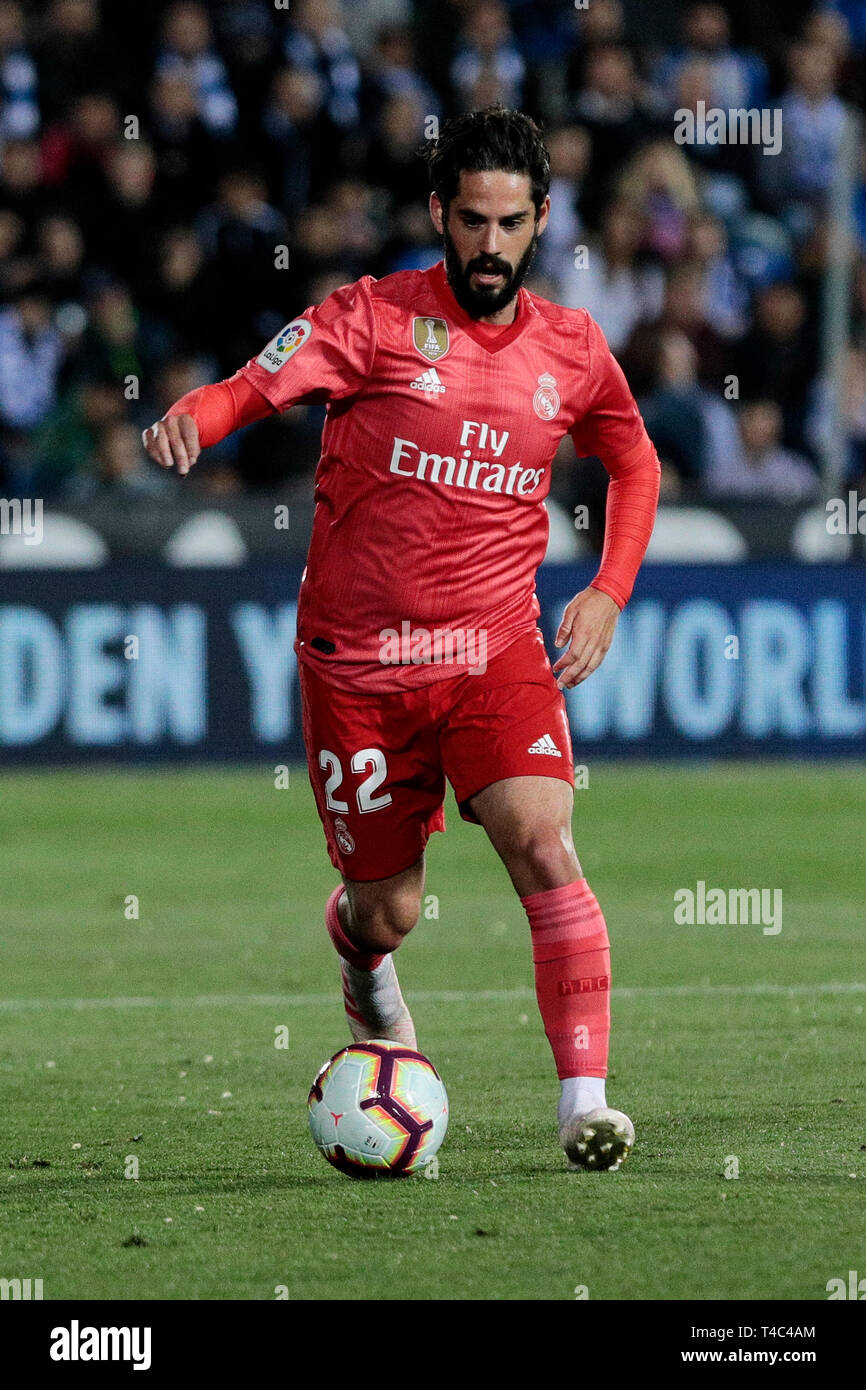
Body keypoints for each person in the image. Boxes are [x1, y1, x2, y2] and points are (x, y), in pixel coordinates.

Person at [142, 106, 661, 1173]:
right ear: (438, 213)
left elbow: (634, 463)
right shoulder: (370, 319)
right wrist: (199, 413)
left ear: (539, 222)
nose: (487, 243)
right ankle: (359, 959)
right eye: (468, 219)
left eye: (508, 223)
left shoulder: (572, 348)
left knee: (542, 839)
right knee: (390, 909)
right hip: (360, 670)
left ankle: (582, 1105)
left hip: (492, 654)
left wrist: (607, 589)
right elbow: (256, 382)